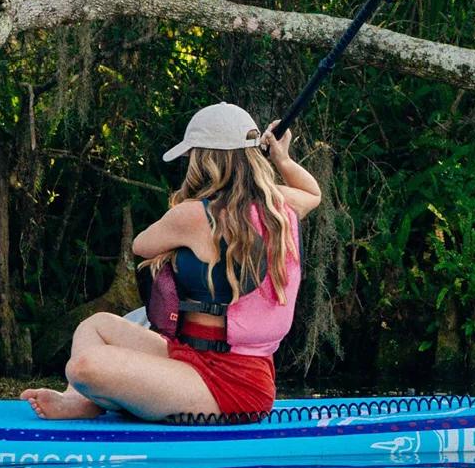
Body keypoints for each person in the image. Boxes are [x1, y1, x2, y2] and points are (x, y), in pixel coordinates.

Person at [23, 102, 321, 422]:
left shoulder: (193, 215)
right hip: (198, 360)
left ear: (202, 160)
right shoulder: (279, 207)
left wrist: (193, 201)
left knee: (84, 366)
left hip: (230, 388)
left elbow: (142, 245)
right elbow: (311, 193)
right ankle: (80, 401)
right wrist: (283, 159)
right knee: (95, 327)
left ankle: (95, 393)